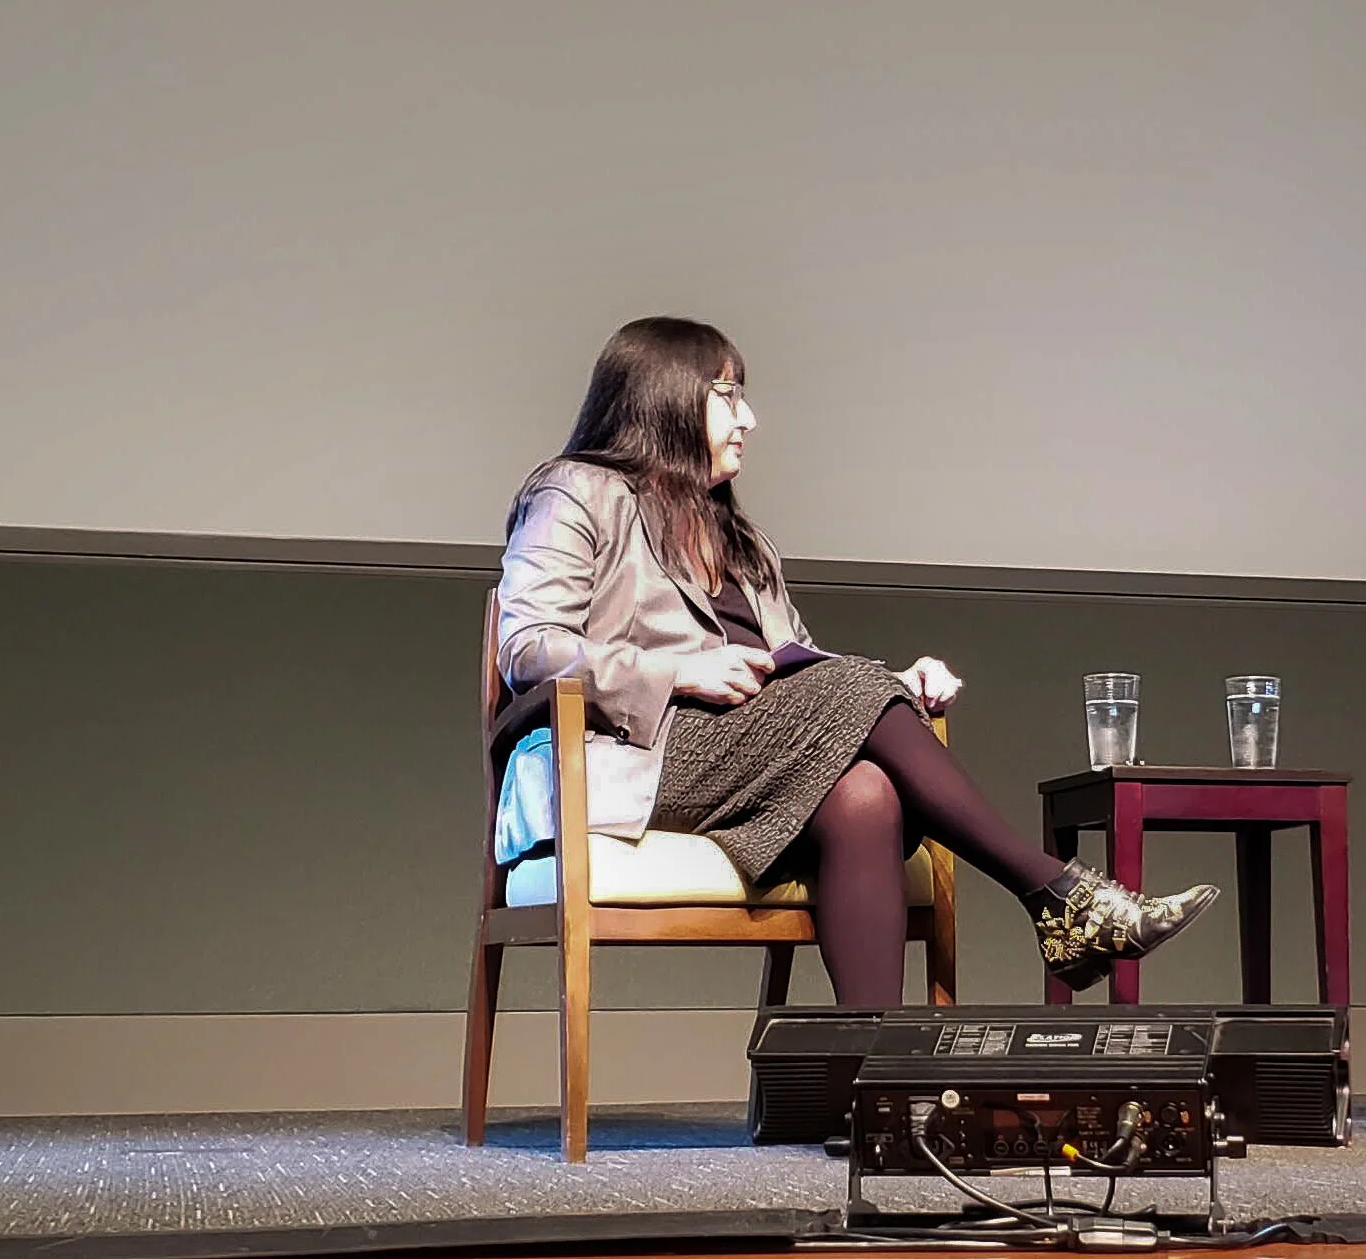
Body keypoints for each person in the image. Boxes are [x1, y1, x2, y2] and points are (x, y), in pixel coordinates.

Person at [493, 316, 1218, 1004]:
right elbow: (528, 646)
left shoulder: (743, 539)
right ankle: (1053, 892)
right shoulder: (575, 490)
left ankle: (876, 1082)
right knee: (857, 705)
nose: (749, 420)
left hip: (752, 759)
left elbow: (801, 668)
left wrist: (896, 687)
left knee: (866, 791)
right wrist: (680, 671)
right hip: (633, 756)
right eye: (728, 396)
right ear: (666, 399)